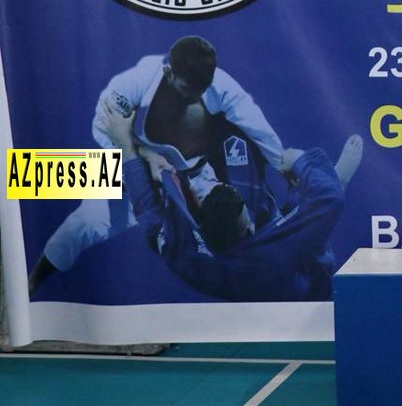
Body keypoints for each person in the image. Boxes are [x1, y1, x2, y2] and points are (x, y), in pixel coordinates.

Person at [28, 35, 285, 293]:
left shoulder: (220, 86)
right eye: (187, 89)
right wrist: (144, 156)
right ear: (168, 73)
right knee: (47, 189)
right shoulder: (133, 84)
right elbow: (104, 129)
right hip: (127, 166)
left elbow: (258, 127)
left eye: (201, 90)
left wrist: (283, 164)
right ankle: (30, 285)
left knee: (230, 223)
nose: (194, 98)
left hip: (194, 178)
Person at [98, 99, 362, 301]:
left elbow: (148, 212)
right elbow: (329, 198)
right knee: (308, 236)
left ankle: (305, 197)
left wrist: (128, 147)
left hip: (238, 270)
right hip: (297, 285)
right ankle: (327, 183)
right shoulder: (272, 251)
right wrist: (299, 161)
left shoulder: (185, 253)